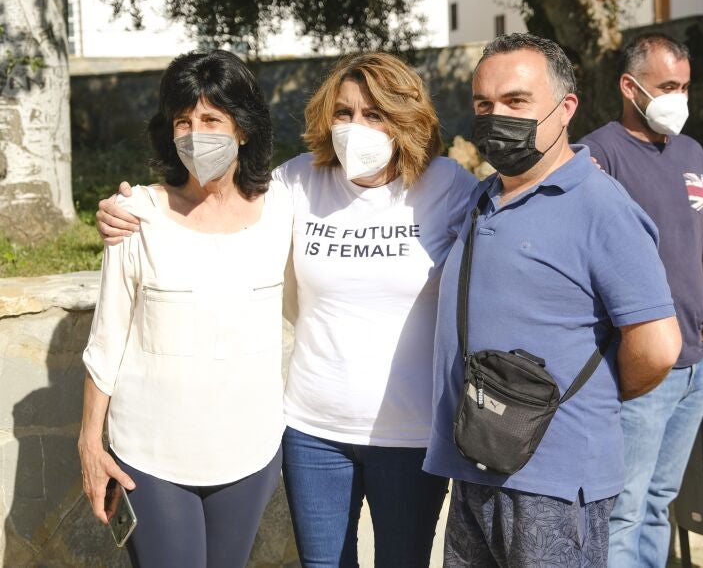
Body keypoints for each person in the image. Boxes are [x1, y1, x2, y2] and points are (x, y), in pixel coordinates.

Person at [95, 52, 480, 568]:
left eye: (374, 114)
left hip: (410, 434)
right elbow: (222, 211)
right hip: (312, 431)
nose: (355, 127)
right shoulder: (296, 182)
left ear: (405, 119)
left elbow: (505, 234)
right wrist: (124, 209)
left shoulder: (449, 186)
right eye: (343, 112)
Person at [423, 33, 682, 567]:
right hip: (476, 460)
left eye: (516, 101)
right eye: (484, 104)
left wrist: (582, 397)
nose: (496, 117)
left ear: (565, 109)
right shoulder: (484, 195)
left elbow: (657, 347)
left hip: (555, 486)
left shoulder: (601, 206)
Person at [78, 50, 291, 568]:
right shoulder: (136, 216)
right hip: (150, 455)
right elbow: (106, 341)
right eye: (183, 121)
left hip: (250, 451)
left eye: (212, 119)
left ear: (243, 128)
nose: (196, 134)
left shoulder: (284, 209)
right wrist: (89, 444)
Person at [576, 32, 703, 567]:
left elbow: (701, 239)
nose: (679, 98)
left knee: (661, 502)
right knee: (624, 509)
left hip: (695, 364)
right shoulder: (597, 155)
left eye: (685, 87)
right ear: (629, 86)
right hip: (641, 367)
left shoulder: (691, 152)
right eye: (667, 87)